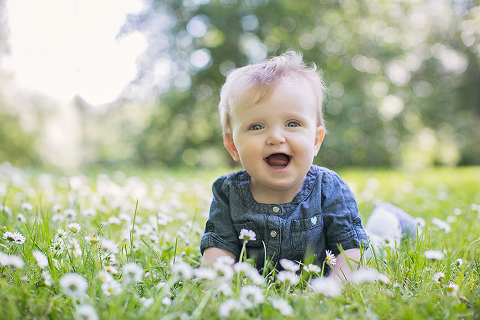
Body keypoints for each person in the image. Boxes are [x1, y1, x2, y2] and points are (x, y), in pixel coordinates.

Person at [200, 51, 370, 283]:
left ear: (316, 140)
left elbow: (350, 251)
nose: (276, 137)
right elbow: (218, 251)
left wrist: (333, 288)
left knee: (377, 241)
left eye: (292, 123)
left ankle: (388, 220)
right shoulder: (228, 193)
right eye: (257, 126)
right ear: (233, 146)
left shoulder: (329, 188)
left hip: (357, 253)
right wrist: (218, 287)